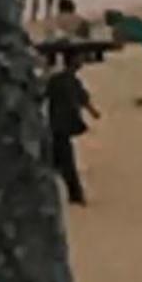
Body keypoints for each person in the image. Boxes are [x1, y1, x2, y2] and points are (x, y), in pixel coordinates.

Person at [43, 57, 97, 207]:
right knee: (64, 163)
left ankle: (74, 195)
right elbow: (83, 99)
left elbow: (40, 96)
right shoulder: (67, 81)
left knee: (58, 162)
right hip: (60, 126)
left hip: (55, 126)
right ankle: (75, 195)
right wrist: (93, 112)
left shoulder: (57, 80)